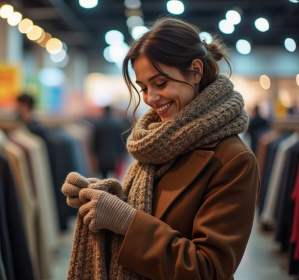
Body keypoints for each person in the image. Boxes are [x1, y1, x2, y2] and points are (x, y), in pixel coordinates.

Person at [62, 17, 260, 280]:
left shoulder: (234, 159)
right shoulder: (154, 145)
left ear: (196, 71)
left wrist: (126, 221)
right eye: (143, 87)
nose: (150, 98)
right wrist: (104, 198)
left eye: (161, 83)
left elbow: (210, 269)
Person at [92, 105, 126, 178]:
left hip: (101, 157)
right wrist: (122, 154)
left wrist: (94, 155)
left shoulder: (98, 125)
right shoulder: (118, 124)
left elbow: (95, 142)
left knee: (103, 178)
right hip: (115, 156)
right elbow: (122, 141)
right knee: (116, 179)